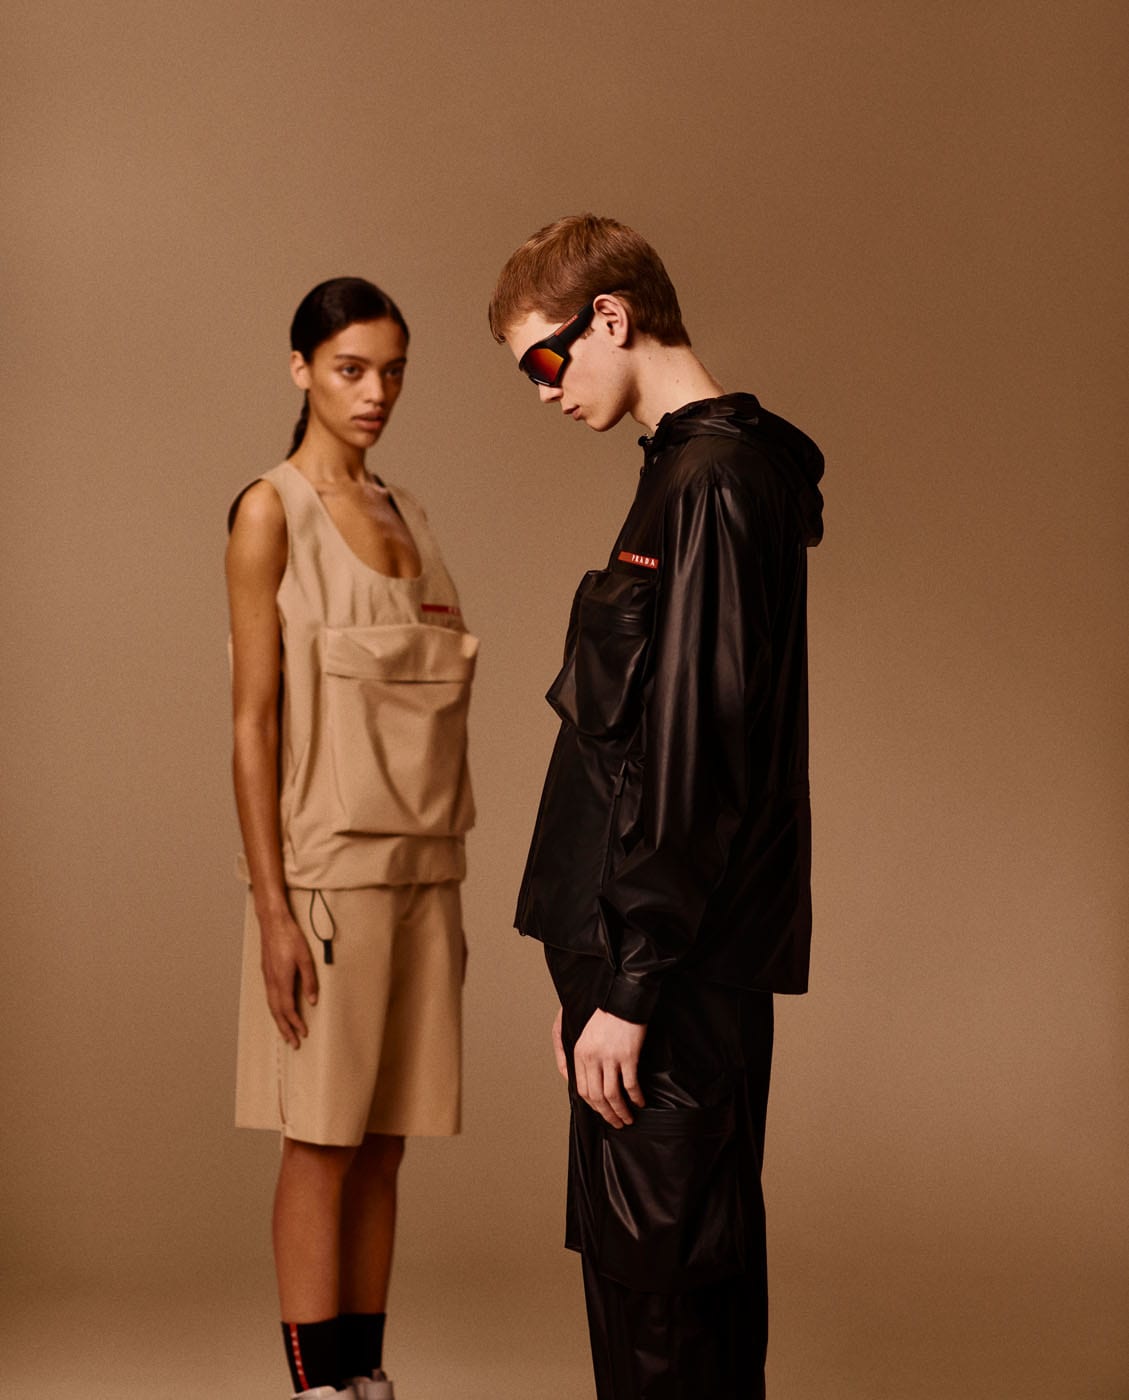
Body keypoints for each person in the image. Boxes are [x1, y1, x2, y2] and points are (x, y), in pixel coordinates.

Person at [488, 215, 824, 1399]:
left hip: (664, 984)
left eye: (545, 358)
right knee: (665, 1291)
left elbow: (697, 756)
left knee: (666, 1313)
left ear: (611, 317)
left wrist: (628, 985)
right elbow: (634, 746)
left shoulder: (714, 480)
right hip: (639, 969)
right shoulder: (688, 471)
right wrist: (593, 976)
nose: (543, 389)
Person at [226, 278, 475, 1400]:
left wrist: (448, 895)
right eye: (350, 369)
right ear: (301, 370)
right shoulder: (269, 511)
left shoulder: (409, 510)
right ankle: (314, 1387)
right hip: (327, 879)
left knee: (386, 1142)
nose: (375, 392)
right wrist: (272, 907)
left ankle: (366, 1374)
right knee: (322, 1140)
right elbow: (252, 724)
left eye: (392, 370)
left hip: (426, 872)